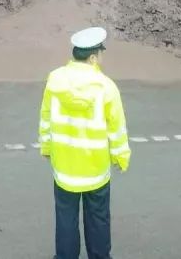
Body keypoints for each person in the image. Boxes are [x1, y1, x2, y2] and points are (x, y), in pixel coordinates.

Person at [38, 26, 130, 259]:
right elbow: (116, 128)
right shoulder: (106, 86)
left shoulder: (55, 80)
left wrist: (47, 148)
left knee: (66, 219)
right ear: (92, 57)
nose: (102, 57)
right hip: (95, 169)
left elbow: (46, 117)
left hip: (65, 168)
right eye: (101, 52)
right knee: (98, 219)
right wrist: (121, 157)